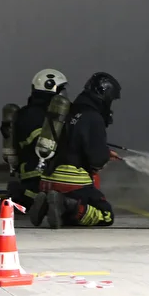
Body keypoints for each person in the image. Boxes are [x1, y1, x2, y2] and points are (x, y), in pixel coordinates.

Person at [28, 72, 122, 229]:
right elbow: (96, 159)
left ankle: (51, 203)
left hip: (47, 179)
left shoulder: (68, 110)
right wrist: (104, 155)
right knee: (105, 214)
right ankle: (67, 204)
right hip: (72, 182)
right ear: (104, 95)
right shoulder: (94, 117)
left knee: (67, 208)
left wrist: (104, 151)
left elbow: (71, 142)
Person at [1, 69, 69, 210]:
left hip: (27, 172)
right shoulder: (47, 116)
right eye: (62, 89)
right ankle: (32, 197)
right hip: (42, 173)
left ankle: (24, 195)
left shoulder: (24, 112)